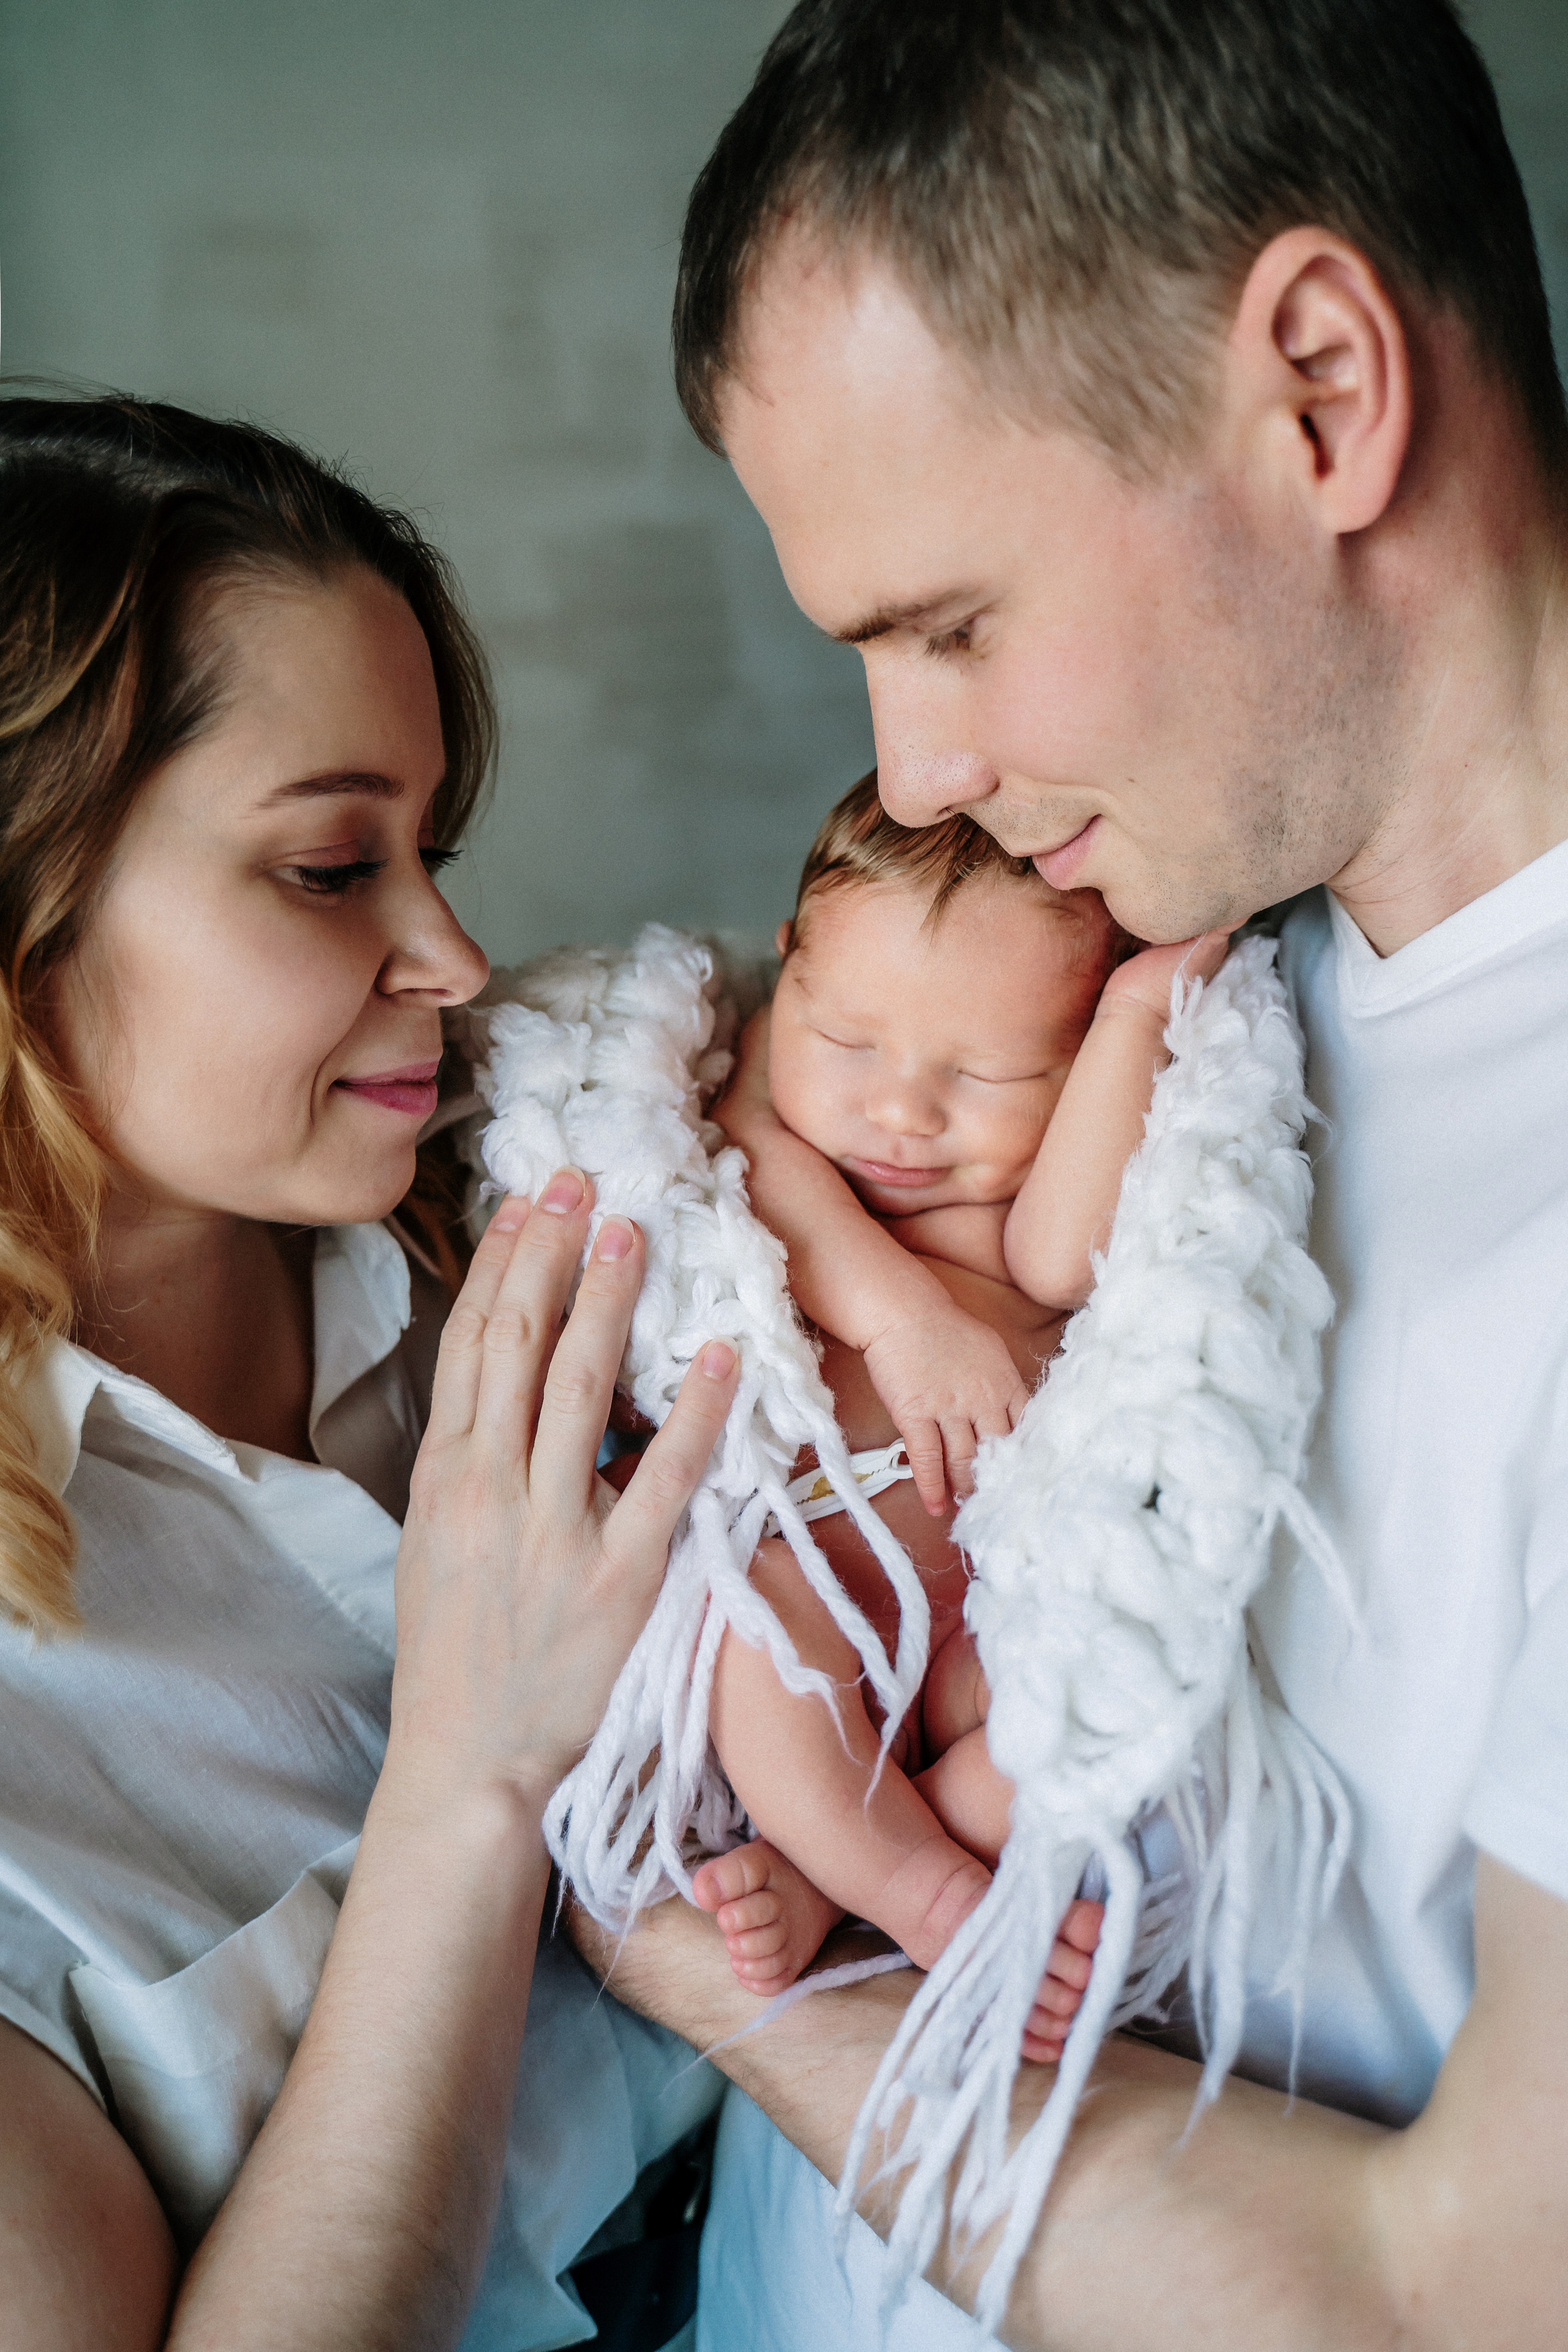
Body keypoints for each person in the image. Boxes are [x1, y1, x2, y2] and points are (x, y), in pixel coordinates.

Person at [571, 2, 1568, 2346]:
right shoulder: (1180, 954)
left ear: (1322, 393)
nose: (910, 773)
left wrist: (666, 1943)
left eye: (951, 627)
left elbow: (1461, 2301)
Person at [0, 394, 742, 2352]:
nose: (454, 953)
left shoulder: (554, 1166)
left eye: (433, 845)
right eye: (334, 867)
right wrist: (470, 1777)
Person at [690, 773, 1226, 2049]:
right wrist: (901, 1320)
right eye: (848, 1042)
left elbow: (1062, 1261)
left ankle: (851, 1871)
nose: (902, 1114)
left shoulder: (1014, 1222)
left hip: (984, 1616)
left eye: (992, 1072)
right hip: (816, 1577)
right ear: (786, 976)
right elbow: (750, 1150)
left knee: (1072, 1714)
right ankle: (923, 1893)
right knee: (747, 1632)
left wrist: (1138, 1016)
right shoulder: (783, 1143)